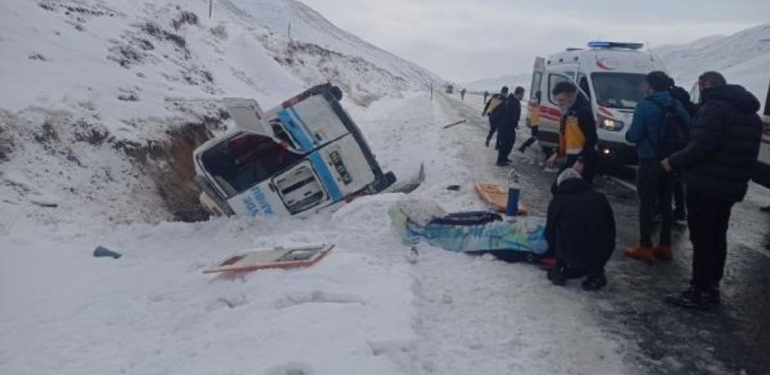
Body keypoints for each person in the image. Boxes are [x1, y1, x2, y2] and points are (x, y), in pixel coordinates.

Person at [661, 71, 763, 310]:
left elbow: (700, 146)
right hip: (730, 185)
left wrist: (672, 161)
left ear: (706, 85)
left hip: (705, 184)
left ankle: (699, 290)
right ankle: (712, 286)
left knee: (702, 238)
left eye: (701, 85)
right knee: (717, 236)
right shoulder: (750, 113)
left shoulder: (715, 109)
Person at [623, 71, 691, 263]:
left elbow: (634, 135)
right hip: (670, 161)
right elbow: (688, 127)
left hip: (649, 159)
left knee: (647, 203)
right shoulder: (675, 104)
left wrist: (631, 135)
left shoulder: (645, 105)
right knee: (666, 202)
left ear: (650, 85)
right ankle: (665, 246)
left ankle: (644, 246)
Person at [545, 168, 616, 290]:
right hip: (600, 254)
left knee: (560, 230)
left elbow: (549, 233)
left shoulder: (558, 200)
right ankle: (596, 274)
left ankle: (560, 269)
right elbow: (611, 228)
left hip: (570, 253)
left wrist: (552, 253)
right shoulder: (599, 198)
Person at [546, 82, 599, 184]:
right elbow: (565, 137)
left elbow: (592, 139)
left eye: (561, 100)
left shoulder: (583, 111)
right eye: (557, 100)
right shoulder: (568, 112)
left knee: (573, 191)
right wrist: (557, 153)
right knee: (559, 188)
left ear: (571, 96)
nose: (559, 104)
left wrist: (581, 160)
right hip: (571, 158)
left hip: (584, 160)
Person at [667, 77, 697, 223]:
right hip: (685, 145)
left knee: (669, 179)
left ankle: (669, 210)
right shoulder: (685, 99)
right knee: (679, 180)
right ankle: (680, 209)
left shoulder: (671, 101)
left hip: (673, 145)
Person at [496, 87, 525, 166]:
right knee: (506, 143)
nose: (523, 96)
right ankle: (500, 160)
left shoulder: (512, 100)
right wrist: (515, 123)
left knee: (510, 142)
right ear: (519, 93)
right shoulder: (512, 101)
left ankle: (504, 158)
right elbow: (509, 115)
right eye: (523, 94)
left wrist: (515, 123)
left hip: (508, 125)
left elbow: (514, 114)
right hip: (506, 125)